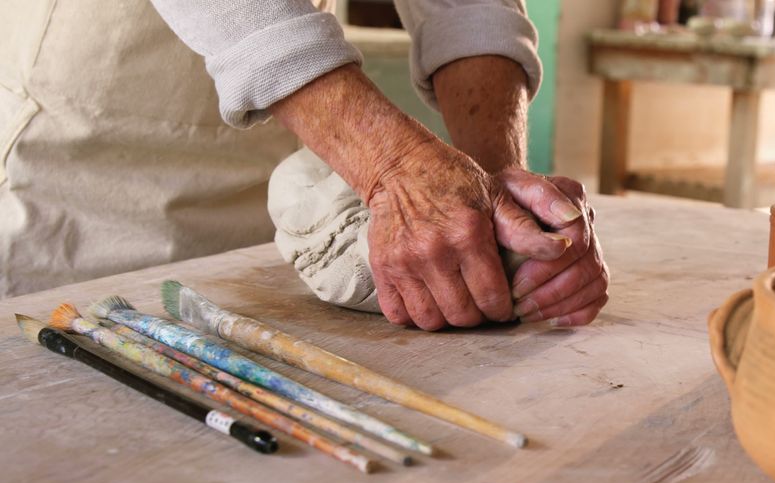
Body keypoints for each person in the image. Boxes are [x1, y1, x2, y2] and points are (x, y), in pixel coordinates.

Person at [0, 0, 608, 329]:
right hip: (79, 175)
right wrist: (393, 165)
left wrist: (498, 216)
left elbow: (465, 7)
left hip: (268, 133)